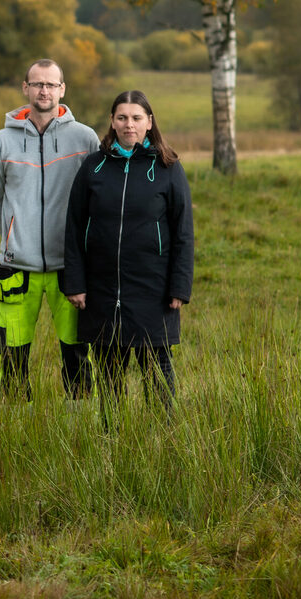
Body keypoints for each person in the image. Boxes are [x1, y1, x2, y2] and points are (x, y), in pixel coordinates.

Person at [62, 90, 194, 411]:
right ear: (112, 122)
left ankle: (161, 440)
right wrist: (75, 283)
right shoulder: (93, 167)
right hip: (102, 290)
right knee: (110, 375)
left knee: (157, 372)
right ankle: (113, 444)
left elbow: (183, 233)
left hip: (154, 289)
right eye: (122, 118)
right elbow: (74, 227)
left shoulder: (168, 168)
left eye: (136, 118)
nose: (129, 125)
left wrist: (179, 286)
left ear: (149, 122)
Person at [0, 59, 101, 399]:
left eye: (51, 84)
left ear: (62, 90)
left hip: (71, 269)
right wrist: (12, 238)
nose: (44, 90)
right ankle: (17, 431)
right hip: (16, 271)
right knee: (12, 360)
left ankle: (80, 432)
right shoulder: (1, 142)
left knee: (77, 357)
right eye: (37, 84)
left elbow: (96, 199)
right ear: (26, 88)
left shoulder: (85, 138)